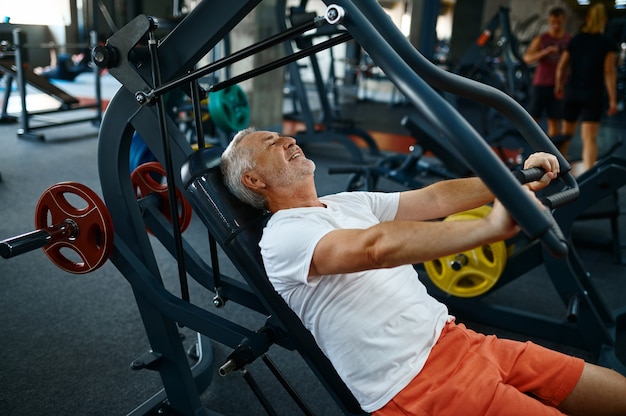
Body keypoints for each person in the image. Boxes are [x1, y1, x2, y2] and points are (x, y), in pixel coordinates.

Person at [220, 127, 626, 415]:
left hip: (459, 340)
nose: (289, 140)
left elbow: (434, 198)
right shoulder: (282, 237)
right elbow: (373, 248)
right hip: (416, 387)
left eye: (283, 135)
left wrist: (515, 178)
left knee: (606, 387)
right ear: (254, 179)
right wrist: (487, 229)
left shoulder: (343, 202)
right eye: (272, 143)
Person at [555, 2, 619, 173]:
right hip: (593, 94)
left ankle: (556, 173)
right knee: (589, 139)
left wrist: (559, 85)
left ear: (588, 18)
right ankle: (589, 176)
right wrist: (613, 100)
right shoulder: (608, 43)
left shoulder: (576, 39)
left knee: (565, 136)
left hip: (573, 92)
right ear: (604, 20)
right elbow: (609, 71)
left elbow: (561, 66)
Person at [523, 6, 571, 140]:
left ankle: (552, 152)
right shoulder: (542, 39)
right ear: (549, 21)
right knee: (533, 118)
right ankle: (527, 147)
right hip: (541, 83)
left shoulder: (568, 40)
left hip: (559, 85)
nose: (556, 25)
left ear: (564, 21)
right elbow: (527, 58)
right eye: (553, 22)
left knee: (554, 120)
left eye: (559, 22)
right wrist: (545, 52)